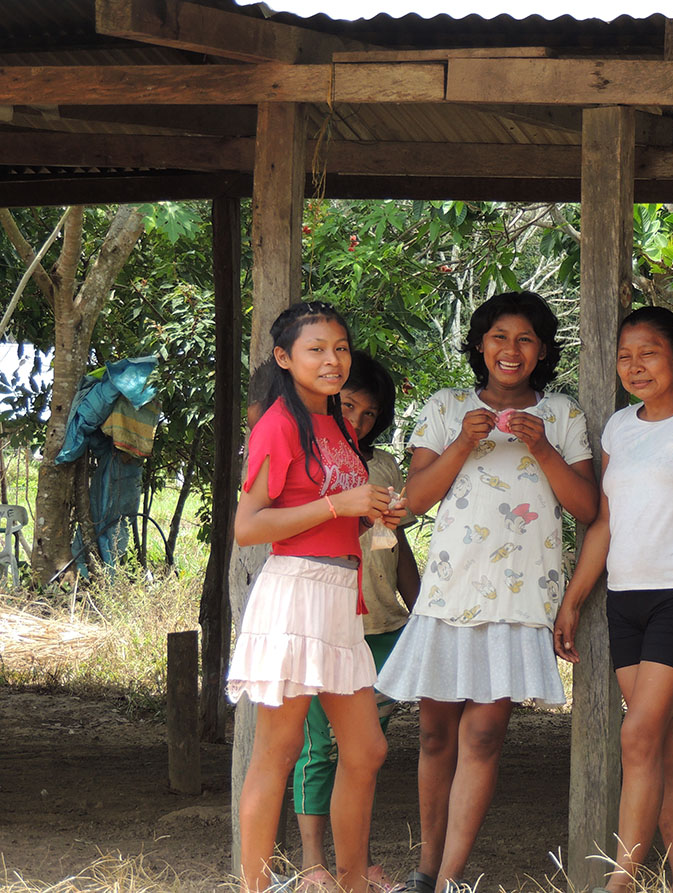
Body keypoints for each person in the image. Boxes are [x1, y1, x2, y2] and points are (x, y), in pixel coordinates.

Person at [375, 291, 598, 893]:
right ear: (479, 344)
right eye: (499, 336)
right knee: (432, 733)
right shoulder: (447, 407)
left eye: (526, 339)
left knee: (483, 734)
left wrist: (542, 446)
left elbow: (586, 507)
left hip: (521, 597)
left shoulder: (563, 414)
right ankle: (425, 867)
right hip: (449, 593)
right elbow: (413, 502)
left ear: (543, 351)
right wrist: (461, 444)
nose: (511, 349)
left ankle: (447, 878)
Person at [554, 306, 673, 893]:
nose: (635, 367)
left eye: (649, 353)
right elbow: (605, 523)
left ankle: (620, 883)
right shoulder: (620, 428)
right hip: (625, 599)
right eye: (625, 357)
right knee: (660, 748)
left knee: (637, 735)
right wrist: (574, 599)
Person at [227, 302, 405, 893]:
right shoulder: (277, 423)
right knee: (275, 755)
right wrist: (342, 505)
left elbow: (340, 516)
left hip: (339, 597)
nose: (332, 360)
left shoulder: (336, 426)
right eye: (316, 349)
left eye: (340, 348)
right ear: (285, 358)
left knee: (367, 750)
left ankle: (352, 883)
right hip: (296, 592)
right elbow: (248, 527)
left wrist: (375, 512)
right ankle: (253, 887)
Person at [293, 351, 422, 892]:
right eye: (349, 406)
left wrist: (423, 612)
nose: (358, 421)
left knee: (365, 753)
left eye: (371, 414)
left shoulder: (386, 466)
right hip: (328, 623)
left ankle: (358, 864)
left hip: (385, 629)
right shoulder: (310, 459)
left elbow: (401, 547)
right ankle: (311, 865)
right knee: (320, 746)